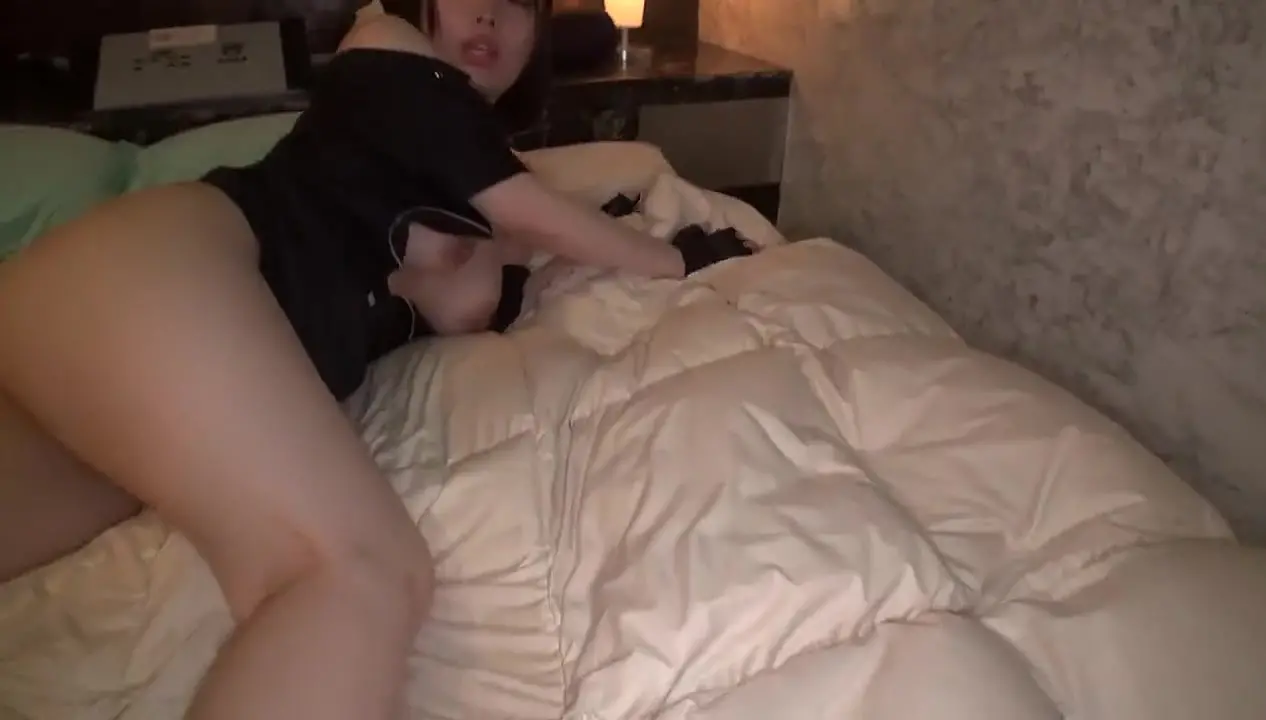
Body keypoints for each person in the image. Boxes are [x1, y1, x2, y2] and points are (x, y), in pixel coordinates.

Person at [0, 0, 754, 717]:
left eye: (518, 1)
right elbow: (530, 210)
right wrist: (676, 259)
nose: (488, 12)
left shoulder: (473, 182)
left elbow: (502, 248)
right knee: (356, 572)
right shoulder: (387, 46)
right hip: (155, 267)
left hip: (108, 351)